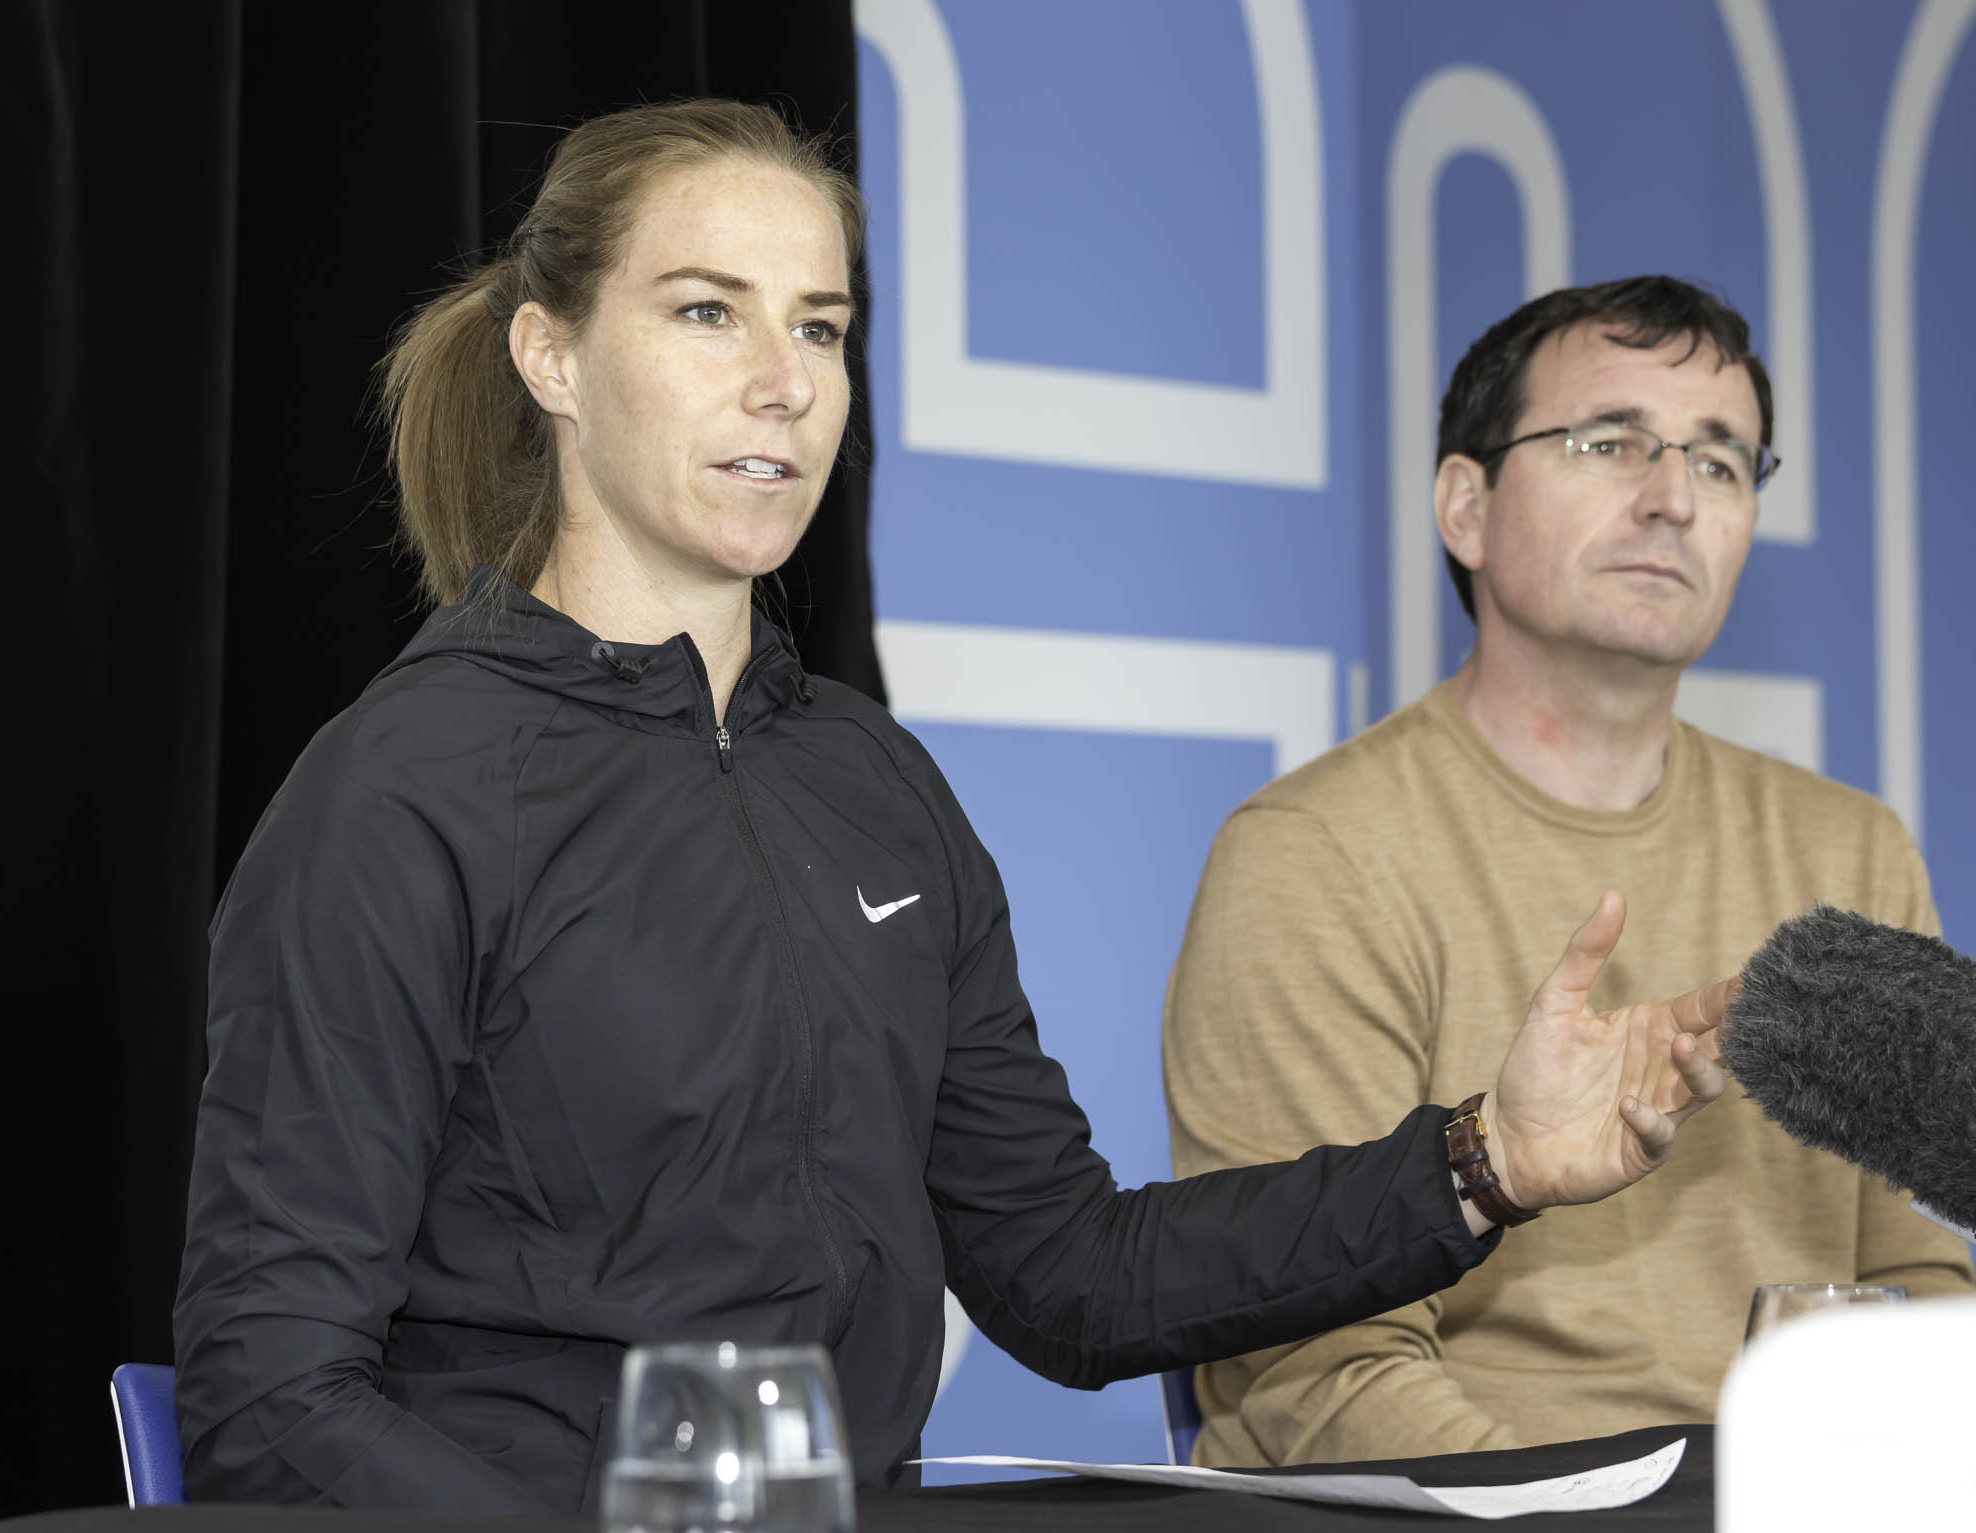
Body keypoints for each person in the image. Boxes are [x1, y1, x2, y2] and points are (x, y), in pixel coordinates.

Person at [172, 106, 1733, 1513]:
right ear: (552, 357)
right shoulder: (400, 787)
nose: (784, 385)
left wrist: (1484, 1161)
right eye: (708, 313)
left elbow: (1068, 1275)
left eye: (823, 328)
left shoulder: (874, 782)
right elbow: (272, 1394)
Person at [1162, 275, 1976, 1469]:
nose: (1671, 501)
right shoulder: (1312, 855)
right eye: (1609, 443)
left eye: (1719, 461)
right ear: (1465, 507)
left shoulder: (1847, 846)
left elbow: (1913, 1284)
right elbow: (1314, 1374)